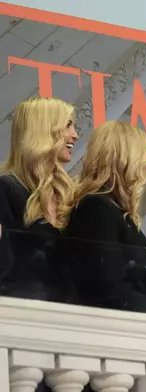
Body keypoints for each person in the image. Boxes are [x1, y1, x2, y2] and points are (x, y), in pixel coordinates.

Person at [65, 121, 146, 315]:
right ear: (125, 162)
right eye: (143, 163)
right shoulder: (96, 208)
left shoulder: (115, 210)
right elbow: (109, 288)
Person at [0, 97, 77, 302]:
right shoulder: (6, 189)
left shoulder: (68, 194)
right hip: (24, 315)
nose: (75, 135)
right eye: (68, 125)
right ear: (43, 130)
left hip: (72, 314)